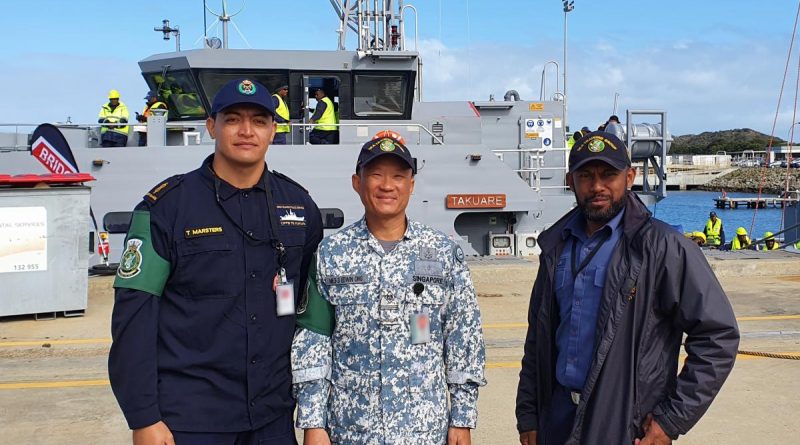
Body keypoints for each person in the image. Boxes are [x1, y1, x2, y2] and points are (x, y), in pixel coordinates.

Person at [109, 78, 323, 445]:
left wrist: (315, 415)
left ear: (273, 130)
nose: (246, 131)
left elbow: (310, 315)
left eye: (258, 121)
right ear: (212, 126)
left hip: (272, 416)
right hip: (192, 418)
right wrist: (143, 417)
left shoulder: (301, 207)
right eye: (232, 119)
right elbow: (134, 319)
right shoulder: (166, 208)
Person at [515, 131, 739, 445]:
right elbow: (537, 340)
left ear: (629, 177)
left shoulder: (663, 247)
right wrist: (528, 414)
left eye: (609, 175)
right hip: (557, 419)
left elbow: (719, 335)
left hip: (623, 426)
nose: (597, 186)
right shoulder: (556, 248)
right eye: (585, 176)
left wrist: (671, 419)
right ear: (570, 181)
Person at [291, 132, 486, 444]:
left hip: (424, 431)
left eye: (398, 176)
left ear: (411, 185)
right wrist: (313, 422)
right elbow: (314, 341)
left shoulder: (442, 252)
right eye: (376, 175)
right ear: (357, 182)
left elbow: (463, 335)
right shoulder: (331, 254)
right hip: (350, 430)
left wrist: (462, 416)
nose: (387, 185)